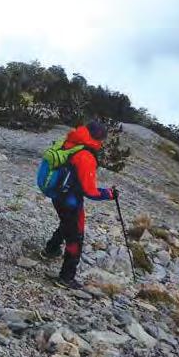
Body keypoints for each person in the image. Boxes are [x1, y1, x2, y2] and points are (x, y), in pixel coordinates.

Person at [43, 121, 116, 289]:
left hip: (57, 195)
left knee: (66, 223)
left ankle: (51, 250)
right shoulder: (86, 156)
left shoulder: (70, 142)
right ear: (98, 139)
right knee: (75, 235)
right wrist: (109, 194)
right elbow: (90, 191)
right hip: (71, 200)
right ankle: (66, 277)